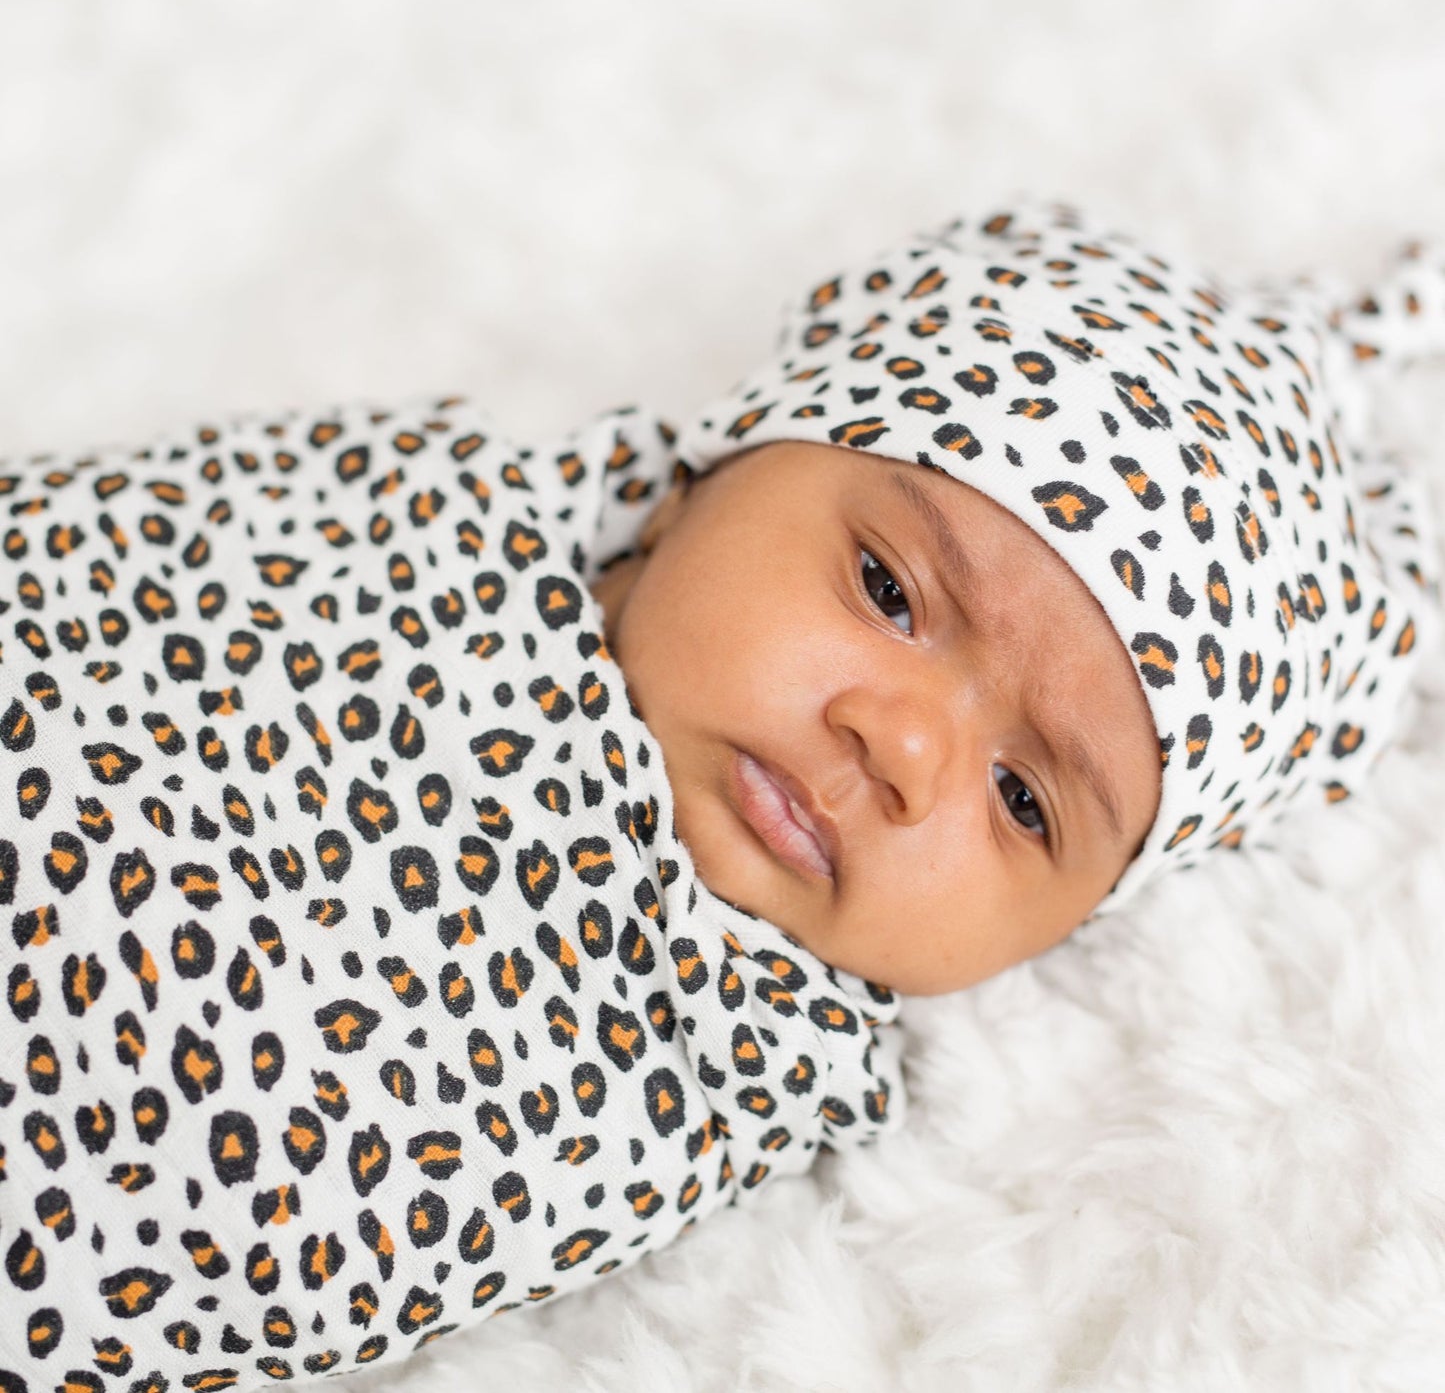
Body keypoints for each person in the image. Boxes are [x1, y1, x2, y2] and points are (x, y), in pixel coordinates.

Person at [0, 195, 1437, 1390]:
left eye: (1023, 800)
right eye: (887, 587)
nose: (905, 750)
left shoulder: (735, 1064)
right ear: (716, 467)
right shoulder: (397, 523)